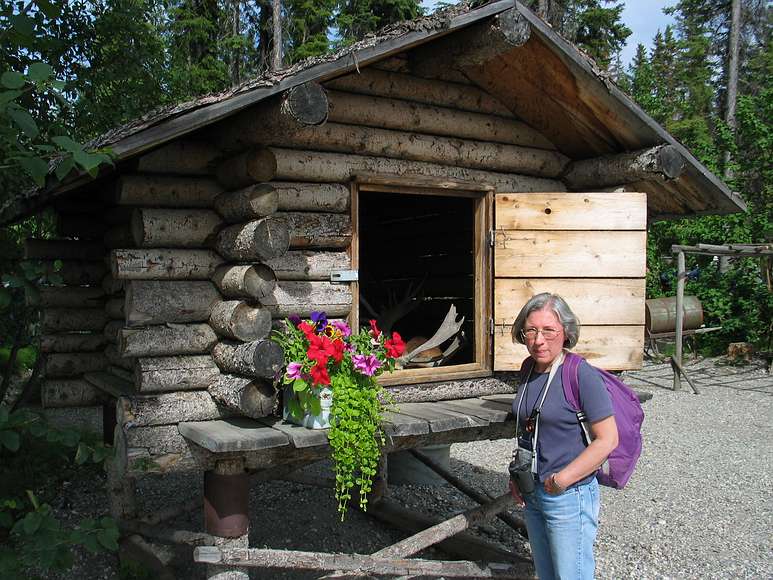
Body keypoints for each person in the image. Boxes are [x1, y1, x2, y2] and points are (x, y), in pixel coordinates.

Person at [508, 292, 618, 580]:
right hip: (533, 492)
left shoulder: (580, 374)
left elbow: (607, 439)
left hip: (567, 496)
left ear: (566, 332)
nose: (538, 339)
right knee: (547, 575)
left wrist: (562, 480)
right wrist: (517, 474)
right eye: (530, 330)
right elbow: (529, 428)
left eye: (548, 330)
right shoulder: (528, 369)